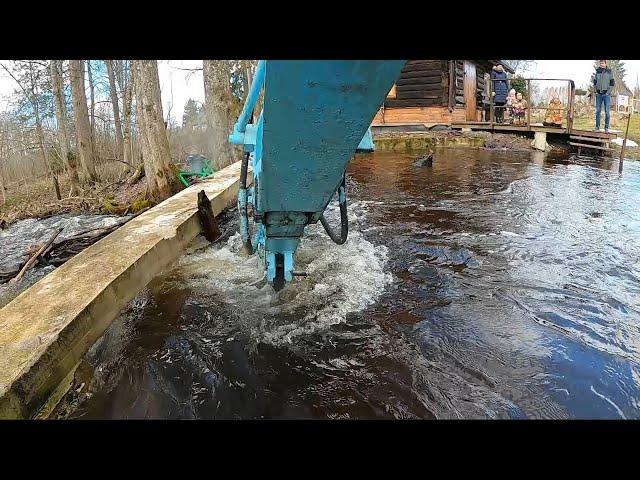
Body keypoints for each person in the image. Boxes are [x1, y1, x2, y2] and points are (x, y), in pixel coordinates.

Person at [591, 60, 615, 132]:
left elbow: (612, 83)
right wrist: (595, 91)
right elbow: (594, 82)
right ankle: (597, 128)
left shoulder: (609, 71)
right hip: (599, 95)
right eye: (600, 63)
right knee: (598, 111)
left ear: (605, 63)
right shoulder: (597, 71)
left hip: (606, 95)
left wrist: (608, 92)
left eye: (603, 63)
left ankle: (606, 128)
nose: (601, 64)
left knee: (607, 112)